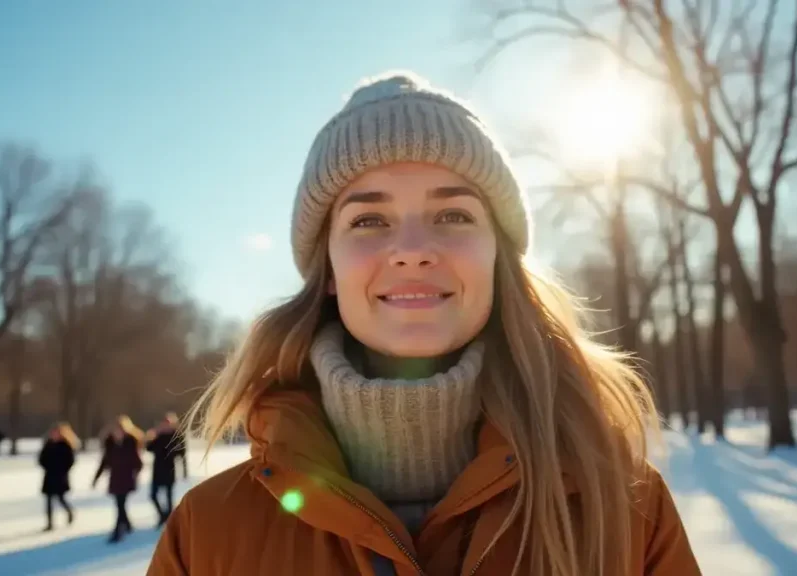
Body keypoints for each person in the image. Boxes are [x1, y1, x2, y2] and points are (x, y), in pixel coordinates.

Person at [148, 71, 700, 575]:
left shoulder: (624, 505)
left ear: (497, 256)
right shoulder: (208, 531)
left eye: (453, 215)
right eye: (368, 219)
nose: (412, 250)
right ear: (329, 270)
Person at [93, 415, 144, 543]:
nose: (118, 432)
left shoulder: (131, 443)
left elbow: (138, 462)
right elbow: (104, 462)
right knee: (120, 504)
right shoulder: (110, 444)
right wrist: (96, 478)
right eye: (116, 429)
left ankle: (117, 532)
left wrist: (136, 474)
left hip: (126, 478)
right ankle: (127, 525)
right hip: (115, 479)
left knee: (120, 504)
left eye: (120, 429)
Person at [145, 412, 187, 527]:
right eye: (165, 422)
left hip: (170, 469)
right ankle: (162, 516)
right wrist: (151, 436)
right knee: (153, 495)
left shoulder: (177, 435)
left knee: (169, 496)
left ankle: (169, 519)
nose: (166, 425)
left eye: (169, 422)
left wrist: (184, 471)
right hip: (157, 469)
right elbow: (148, 448)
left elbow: (182, 454)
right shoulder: (158, 435)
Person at [38, 422, 79, 531]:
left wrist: (63, 470)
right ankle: (50, 523)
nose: (54, 435)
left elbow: (70, 461)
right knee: (48, 500)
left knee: (61, 499)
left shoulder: (65, 445)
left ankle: (69, 512)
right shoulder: (48, 444)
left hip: (60, 476)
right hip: (49, 476)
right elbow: (41, 459)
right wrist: (47, 466)